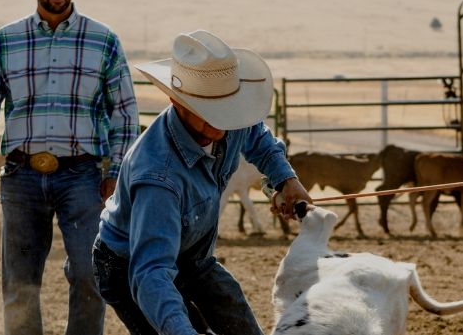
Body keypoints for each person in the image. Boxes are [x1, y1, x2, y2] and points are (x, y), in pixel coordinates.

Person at [0, 0, 139, 334]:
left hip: (83, 175)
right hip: (21, 174)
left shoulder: (103, 41)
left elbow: (124, 113)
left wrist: (116, 172)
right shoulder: (7, 41)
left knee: (90, 273)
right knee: (19, 281)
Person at [93, 30, 310, 335]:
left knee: (241, 324)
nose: (221, 122)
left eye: (227, 109)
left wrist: (285, 179)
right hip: (130, 264)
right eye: (209, 112)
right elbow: (151, 273)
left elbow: (256, 135)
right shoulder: (157, 176)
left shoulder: (229, 119)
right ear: (176, 101)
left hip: (192, 255)